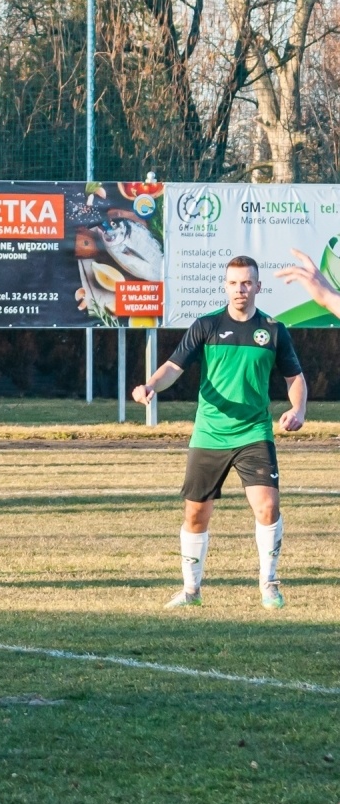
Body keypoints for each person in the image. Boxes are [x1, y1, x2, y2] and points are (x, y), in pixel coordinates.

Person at [133, 255, 305, 610]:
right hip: (209, 434)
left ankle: (269, 584)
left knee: (268, 506)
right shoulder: (207, 326)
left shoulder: (273, 330)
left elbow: (295, 378)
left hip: (254, 432)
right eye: (233, 283)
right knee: (196, 515)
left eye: (247, 283)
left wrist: (298, 408)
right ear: (225, 286)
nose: (240, 289)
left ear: (258, 286)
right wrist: (150, 385)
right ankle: (191, 591)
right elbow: (172, 366)